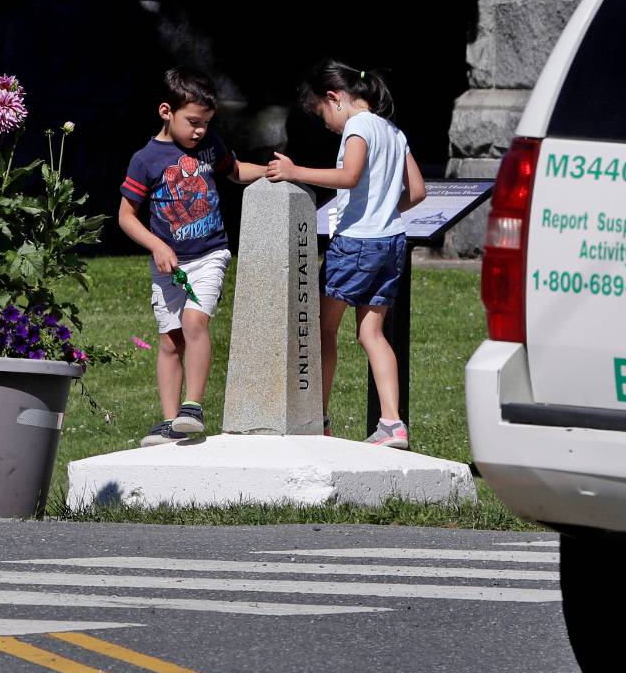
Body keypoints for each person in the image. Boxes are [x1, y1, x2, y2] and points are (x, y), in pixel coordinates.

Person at [266, 58, 426, 449]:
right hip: (392, 242)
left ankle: (316, 419)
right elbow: (418, 191)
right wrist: (384, 208)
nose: (327, 125)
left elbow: (349, 176)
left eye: (323, 115)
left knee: (323, 329)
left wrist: (295, 171)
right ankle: (392, 424)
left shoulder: (357, 127)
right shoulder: (393, 130)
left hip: (355, 243)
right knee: (372, 333)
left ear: (334, 98)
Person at [119, 67, 267, 446]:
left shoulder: (209, 146)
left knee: (194, 321)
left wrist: (270, 172)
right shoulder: (146, 159)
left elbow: (233, 171)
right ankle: (172, 424)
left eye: (206, 123)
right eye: (193, 122)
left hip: (209, 253)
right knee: (170, 340)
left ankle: (192, 407)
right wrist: (157, 245)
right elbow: (126, 216)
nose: (200, 130)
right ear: (166, 111)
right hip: (168, 261)